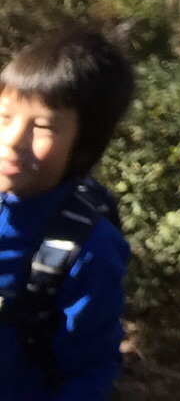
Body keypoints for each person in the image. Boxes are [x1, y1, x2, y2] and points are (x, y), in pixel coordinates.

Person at [0, 27, 134, 400]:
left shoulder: (86, 249)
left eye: (41, 126)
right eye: (4, 115)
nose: (11, 140)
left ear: (83, 146)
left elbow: (89, 369)